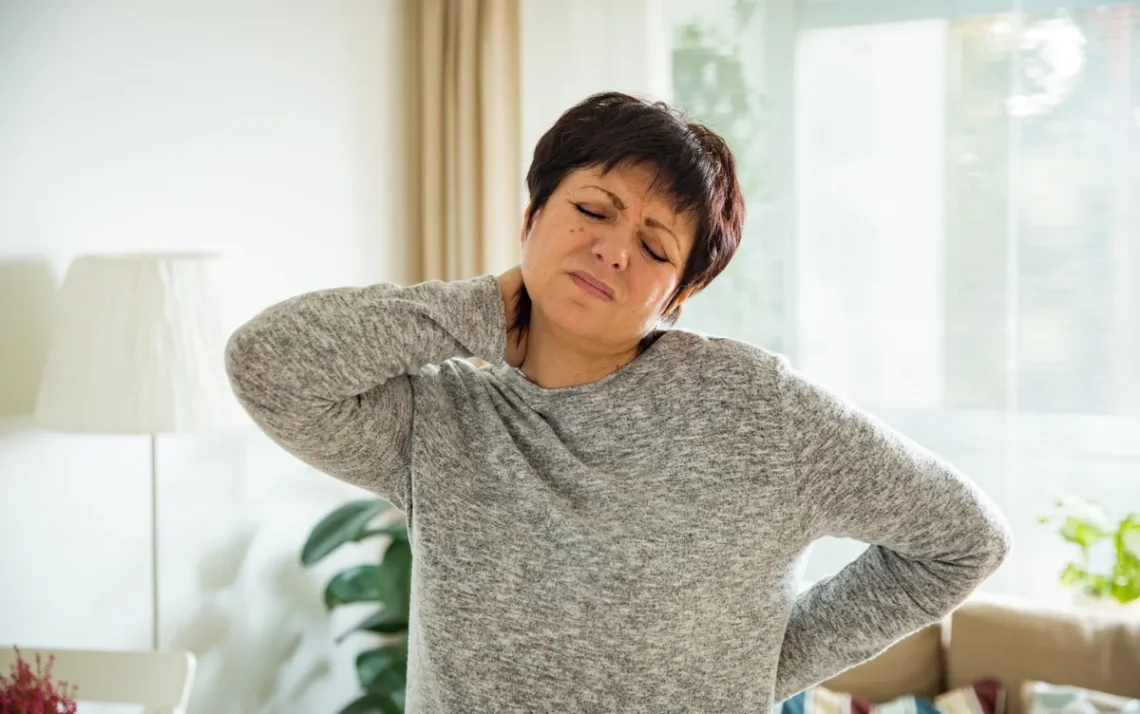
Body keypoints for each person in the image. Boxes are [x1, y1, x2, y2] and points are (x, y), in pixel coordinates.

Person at [224, 91, 1012, 713]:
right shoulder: (441, 417)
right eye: (591, 211)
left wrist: (766, 663)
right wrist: (483, 307)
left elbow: (963, 540)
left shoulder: (759, 411)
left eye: (656, 246)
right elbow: (267, 365)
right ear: (533, 216)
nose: (612, 249)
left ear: (680, 293)